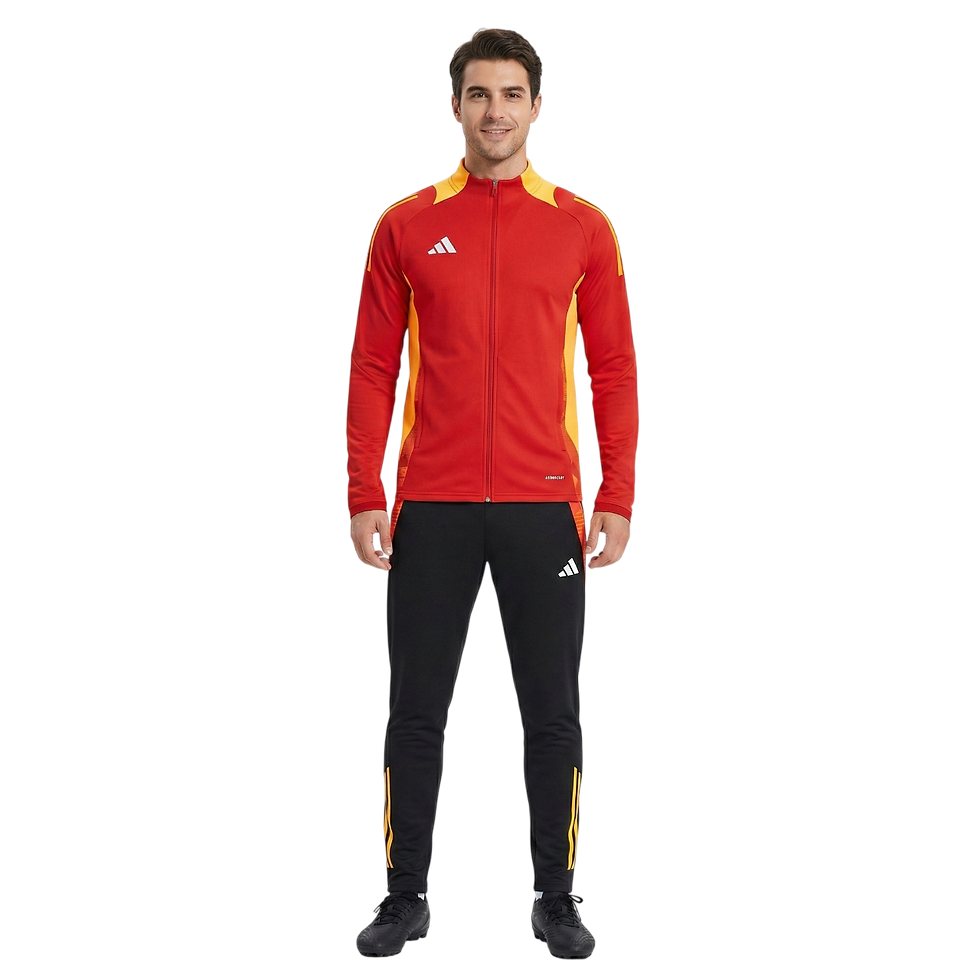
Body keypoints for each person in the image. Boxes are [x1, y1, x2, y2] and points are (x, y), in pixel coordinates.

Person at [346, 25, 640, 961]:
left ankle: (558, 897)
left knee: (552, 709)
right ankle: (404, 897)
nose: (495, 110)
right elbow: (371, 367)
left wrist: (617, 495)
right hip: (428, 505)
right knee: (414, 709)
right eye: (479, 94)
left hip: (543, 504)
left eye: (512, 94)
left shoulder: (585, 226)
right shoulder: (403, 223)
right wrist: (363, 493)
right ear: (454, 107)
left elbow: (615, 370)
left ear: (538, 108)